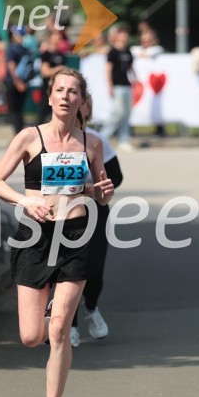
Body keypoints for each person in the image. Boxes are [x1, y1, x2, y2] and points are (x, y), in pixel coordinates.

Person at [0, 68, 115, 397]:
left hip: (76, 237)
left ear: (81, 100)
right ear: (50, 96)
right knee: (31, 336)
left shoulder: (91, 143)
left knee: (59, 328)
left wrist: (100, 192)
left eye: (73, 91)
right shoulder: (29, 137)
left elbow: (101, 192)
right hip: (34, 238)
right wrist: (25, 199)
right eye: (59, 90)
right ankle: (47, 311)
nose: (65, 97)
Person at [68, 94, 123, 347]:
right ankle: (71, 324)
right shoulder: (50, 138)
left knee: (95, 267)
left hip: (95, 210)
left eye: (82, 101)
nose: (78, 106)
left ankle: (91, 307)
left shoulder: (96, 140)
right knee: (67, 269)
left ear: (88, 107)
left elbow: (117, 176)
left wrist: (93, 185)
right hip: (61, 212)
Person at [102, 25, 135, 151]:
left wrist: (135, 79)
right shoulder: (112, 52)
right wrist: (110, 86)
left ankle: (124, 139)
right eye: (122, 34)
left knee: (127, 114)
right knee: (118, 112)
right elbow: (108, 69)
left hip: (127, 85)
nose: (125, 36)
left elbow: (131, 67)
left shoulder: (127, 51)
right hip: (117, 86)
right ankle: (104, 136)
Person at [4, 28, 31, 133]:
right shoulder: (24, 49)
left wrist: (17, 82)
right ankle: (19, 132)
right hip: (23, 82)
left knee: (14, 111)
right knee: (19, 111)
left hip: (14, 83)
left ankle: (18, 134)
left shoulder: (12, 49)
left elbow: (11, 66)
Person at [37, 31, 68, 124]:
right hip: (47, 87)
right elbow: (45, 72)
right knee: (42, 112)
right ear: (50, 38)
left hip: (58, 88)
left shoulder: (61, 55)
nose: (58, 39)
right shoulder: (46, 54)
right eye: (56, 36)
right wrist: (58, 69)